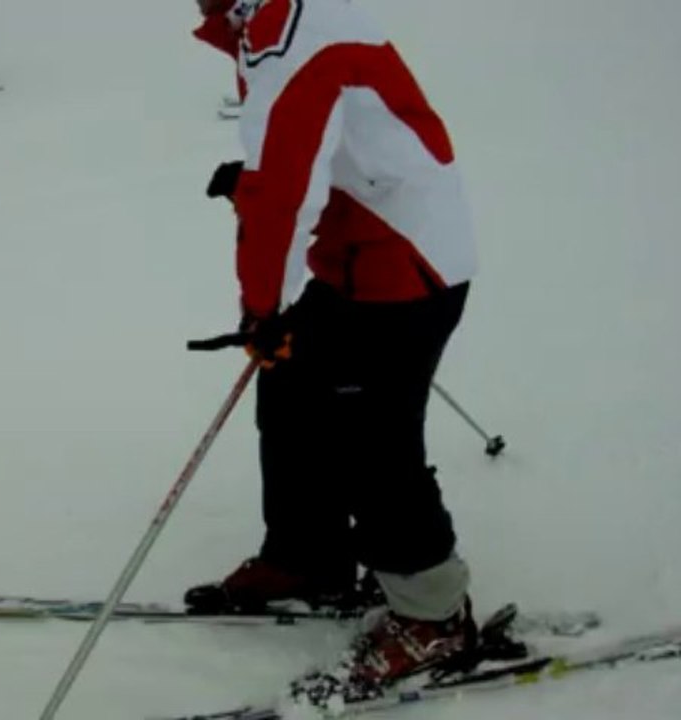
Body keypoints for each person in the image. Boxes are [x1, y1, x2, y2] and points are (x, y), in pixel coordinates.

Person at [187, 0, 480, 698]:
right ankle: (308, 557)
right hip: (353, 252)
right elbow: (307, 156)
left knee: (370, 438)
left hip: (406, 266)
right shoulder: (264, 23)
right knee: (290, 390)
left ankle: (433, 613)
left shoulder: (293, 36)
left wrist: (262, 307)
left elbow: (284, 194)